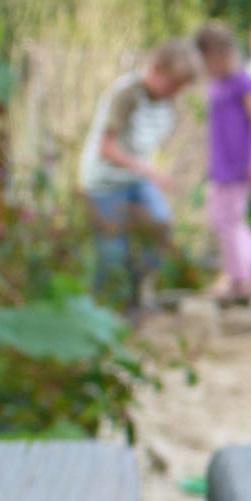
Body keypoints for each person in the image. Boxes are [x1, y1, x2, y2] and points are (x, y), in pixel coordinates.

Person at [80, 39, 200, 313]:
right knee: (112, 254)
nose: (176, 93)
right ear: (155, 70)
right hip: (104, 184)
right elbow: (106, 148)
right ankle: (104, 310)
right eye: (173, 85)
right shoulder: (126, 95)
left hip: (136, 182)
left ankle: (140, 294)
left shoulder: (167, 105)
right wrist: (148, 170)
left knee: (161, 226)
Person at [194, 22, 251, 303]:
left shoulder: (242, 82)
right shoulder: (217, 84)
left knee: (227, 221)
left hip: (241, 165)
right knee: (221, 220)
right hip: (221, 165)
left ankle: (240, 279)